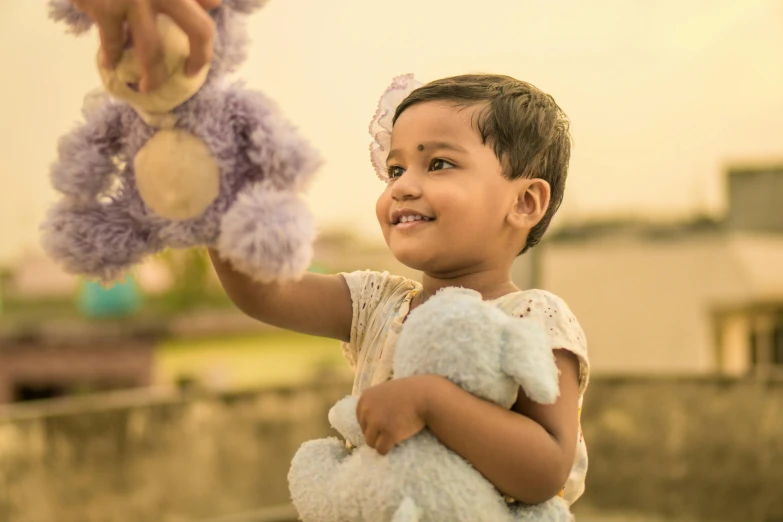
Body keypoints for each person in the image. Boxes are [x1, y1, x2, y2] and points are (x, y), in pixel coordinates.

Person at [76, 0, 589, 508]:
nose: (404, 186)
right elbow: (266, 291)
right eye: (394, 170)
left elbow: (546, 469)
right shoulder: (378, 304)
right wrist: (213, 200)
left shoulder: (532, 318)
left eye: (437, 164)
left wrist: (431, 402)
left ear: (524, 203)